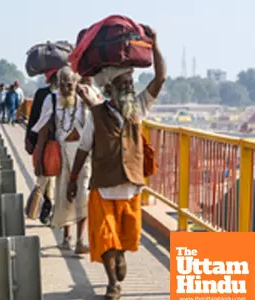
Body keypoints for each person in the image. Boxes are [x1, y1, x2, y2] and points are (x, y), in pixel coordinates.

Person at [67, 25, 165, 300]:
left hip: (131, 188)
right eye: (122, 84)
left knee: (123, 240)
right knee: (106, 238)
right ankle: (113, 284)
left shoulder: (140, 108)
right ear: (109, 88)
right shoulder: (96, 115)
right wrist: (74, 180)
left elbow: (161, 78)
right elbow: (83, 149)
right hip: (103, 189)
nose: (128, 87)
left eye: (130, 84)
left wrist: (155, 44)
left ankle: (120, 259)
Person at [32, 66, 97, 254]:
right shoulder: (51, 100)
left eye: (69, 84)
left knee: (82, 194)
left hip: (82, 152)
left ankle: (80, 240)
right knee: (63, 195)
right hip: (61, 153)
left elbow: (99, 113)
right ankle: (66, 238)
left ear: (76, 83)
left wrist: (86, 97)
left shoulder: (84, 97)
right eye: (62, 85)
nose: (66, 89)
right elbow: (43, 129)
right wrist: (39, 160)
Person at [25, 70, 59, 225]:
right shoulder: (42, 94)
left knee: (52, 180)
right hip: (45, 142)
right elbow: (34, 118)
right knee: (45, 176)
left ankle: (48, 207)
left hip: (61, 143)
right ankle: (46, 205)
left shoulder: (68, 96)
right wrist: (29, 138)